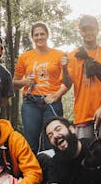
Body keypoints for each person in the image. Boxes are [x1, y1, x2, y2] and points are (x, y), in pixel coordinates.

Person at [61, 15, 101, 138]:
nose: (88, 32)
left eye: (92, 29)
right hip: (83, 111)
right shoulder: (73, 56)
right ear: (80, 31)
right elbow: (67, 84)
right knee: (85, 153)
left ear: (97, 30)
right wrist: (64, 68)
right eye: (85, 29)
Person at [13, 22, 69, 152]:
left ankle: (52, 171)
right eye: (36, 35)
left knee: (52, 141)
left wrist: (56, 95)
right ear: (32, 37)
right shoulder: (25, 56)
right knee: (31, 142)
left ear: (47, 35)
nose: (39, 37)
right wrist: (25, 82)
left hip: (51, 102)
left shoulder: (59, 55)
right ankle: (31, 172)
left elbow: (67, 82)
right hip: (30, 102)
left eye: (42, 34)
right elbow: (14, 82)